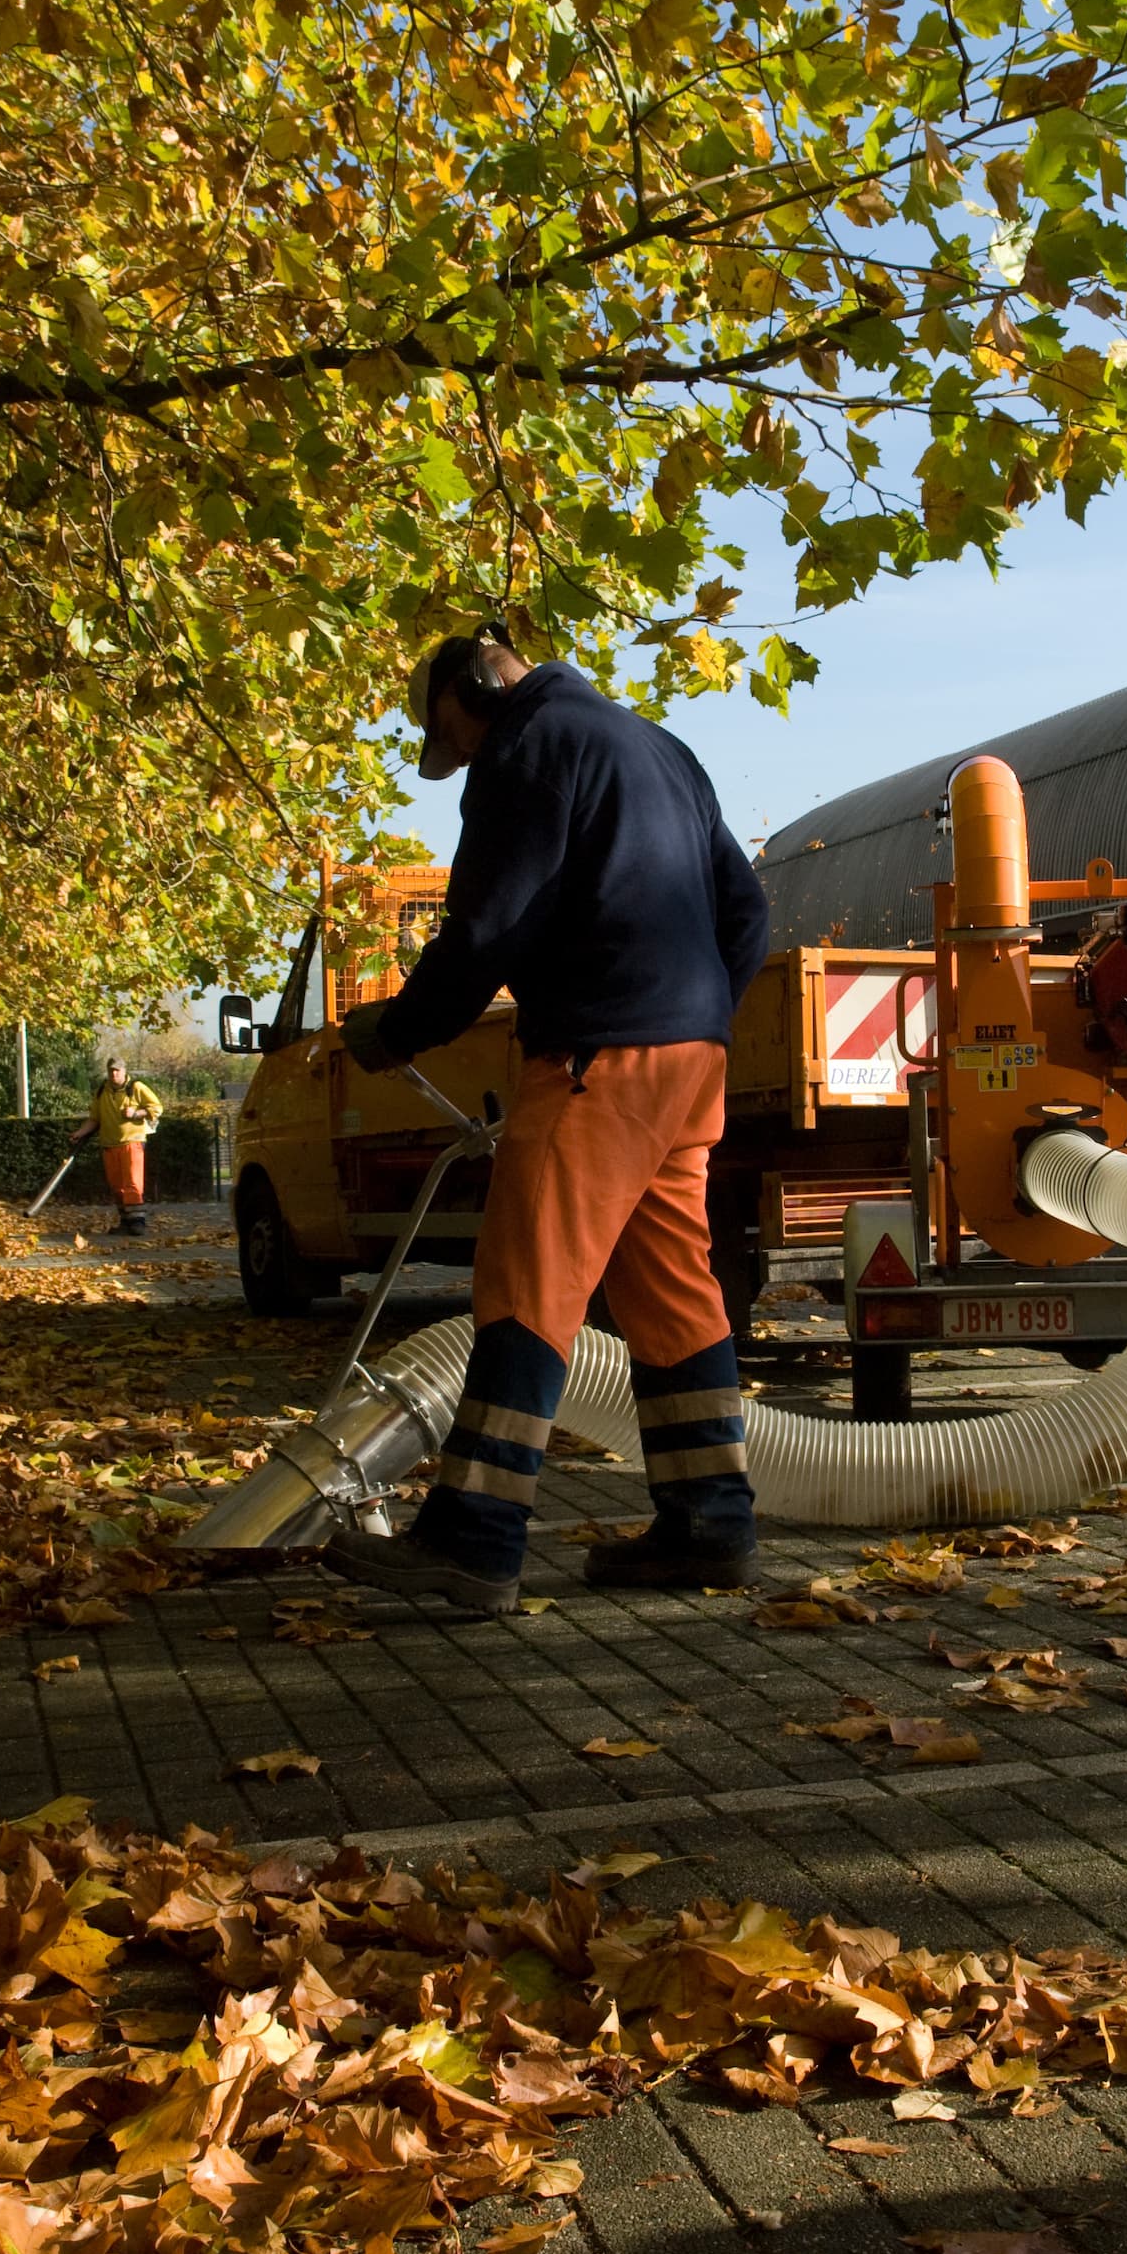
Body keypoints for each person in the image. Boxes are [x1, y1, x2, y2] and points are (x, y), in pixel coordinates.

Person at [340, 623, 771, 1616]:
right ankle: (711, 1523)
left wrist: (399, 1030)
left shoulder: (528, 746)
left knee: (525, 1288)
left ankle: (474, 1540)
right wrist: (696, 1017)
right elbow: (744, 914)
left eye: (452, 736)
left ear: (476, 685)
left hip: (597, 1057)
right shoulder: (659, 747)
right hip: (688, 1063)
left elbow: (487, 924)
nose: (460, 759)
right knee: (672, 1293)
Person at [70, 1055, 163, 1233]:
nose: (114, 1074)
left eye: (117, 1070)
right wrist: (79, 1133)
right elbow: (94, 1119)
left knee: (133, 1183)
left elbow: (157, 1108)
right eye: (111, 1071)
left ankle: (138, 1222)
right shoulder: (101, 1091)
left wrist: (136, 1113)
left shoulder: (136, 1087)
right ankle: (126, 1221)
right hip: (109, 1144)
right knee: (117, 1186)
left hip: (132, 1141)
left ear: (124, 1071)